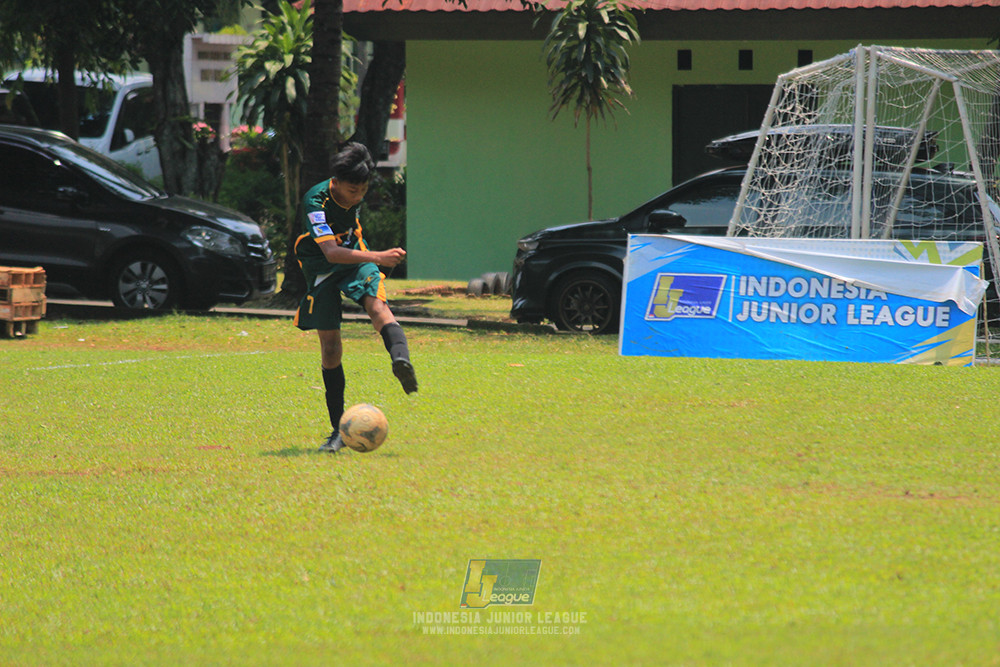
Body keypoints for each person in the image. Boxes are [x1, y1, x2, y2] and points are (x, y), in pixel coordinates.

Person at [293, 142, 417, 453]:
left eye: (362, 191)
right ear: (335, 182)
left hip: (356, 256)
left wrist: (369, 259)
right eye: (352, 191)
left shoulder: (353, 190)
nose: (358, 197)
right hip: (322, 265)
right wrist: (378, 256)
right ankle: (338, 431)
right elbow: (331, 252)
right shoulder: (315, 201)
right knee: (331, 348)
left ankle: (400, 359)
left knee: (377, 306)